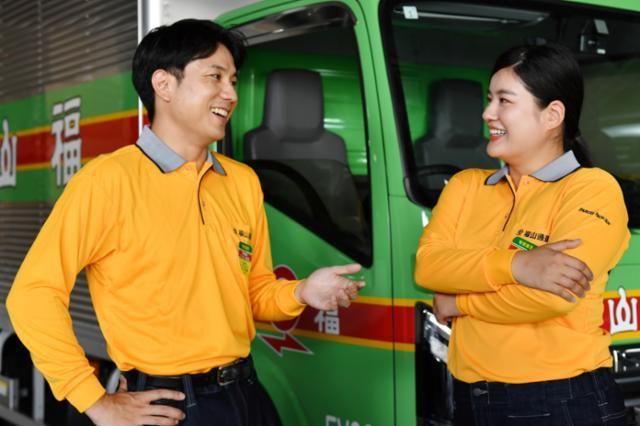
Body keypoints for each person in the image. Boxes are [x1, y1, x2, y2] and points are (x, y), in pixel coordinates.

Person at [6, 19, 364, 426]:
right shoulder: (109, 180)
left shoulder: (241, 181)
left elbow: (254, 293)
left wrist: (301, 291)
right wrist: (93, 400)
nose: (231, 94)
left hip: (247, 394)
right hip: (168, 405)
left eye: (233, 80)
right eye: (215, 77)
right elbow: (33, 294)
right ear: (164, 85)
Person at [414, 43, 629, 425]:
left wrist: (458, 303)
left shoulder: (591, 189)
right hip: (468, 397)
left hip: (562, 399)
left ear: (552, 115)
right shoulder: (466, 186)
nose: (487, 113)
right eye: (489, 99)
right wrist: (517, 265)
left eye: (504, 100)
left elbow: (552, 296)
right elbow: (429, 268)